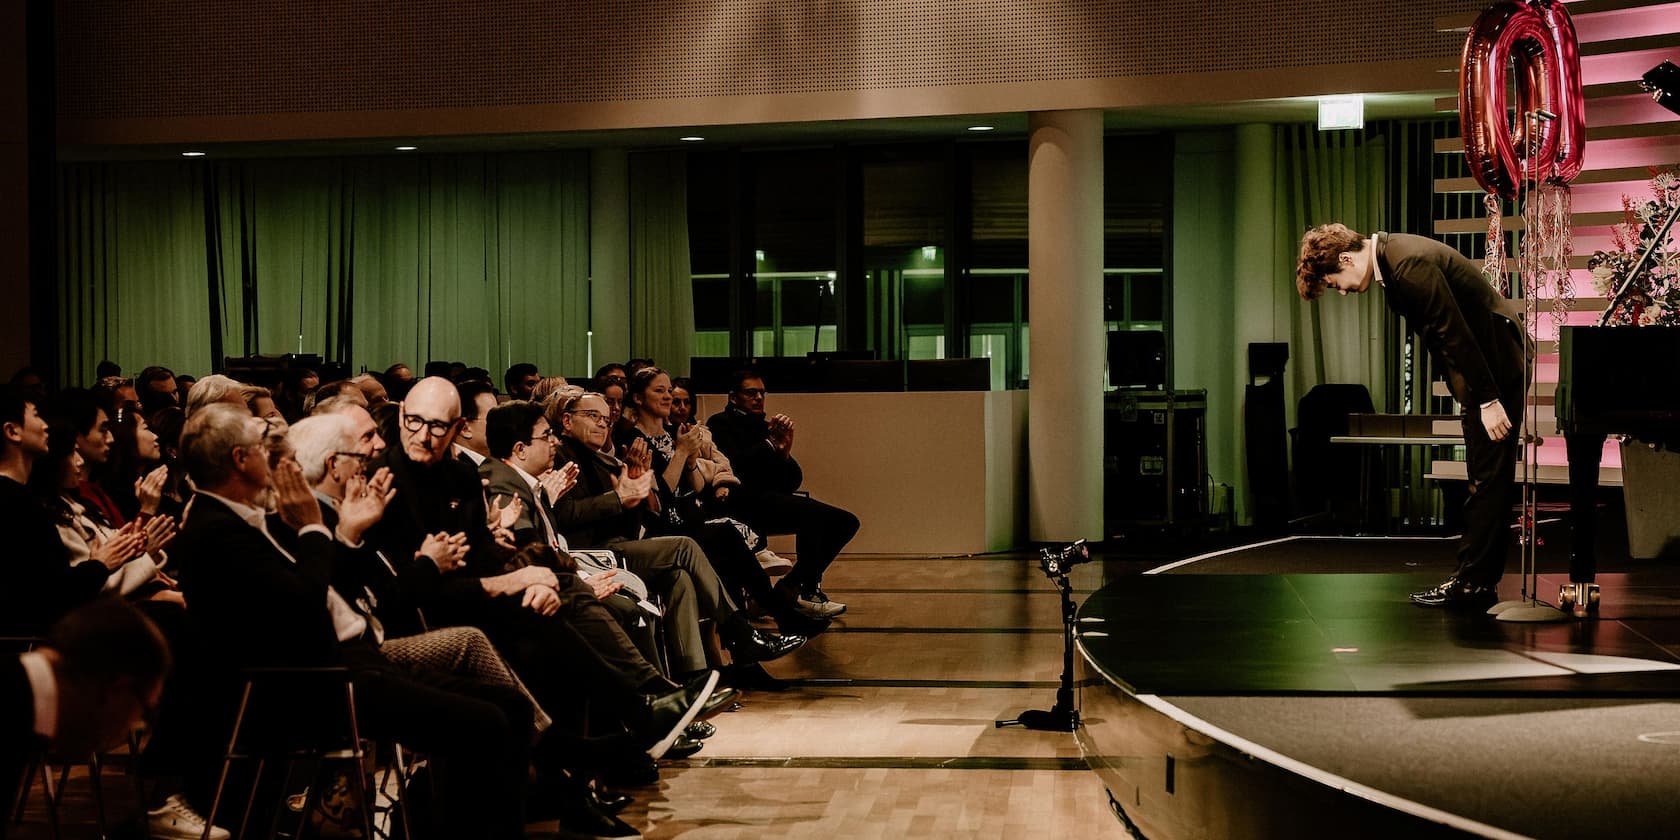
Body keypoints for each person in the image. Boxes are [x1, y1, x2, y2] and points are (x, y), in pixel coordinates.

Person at [1296, 224, 1529, 608]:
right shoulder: (1394, 261)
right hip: (1488, 370)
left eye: (1335, 282)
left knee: (1488, 480)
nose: (1341, 291)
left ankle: (1474, 585)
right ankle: (1476, 581)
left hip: (1495, 370)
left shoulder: (1407, 265)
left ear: (1346, 258)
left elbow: (1453, 332)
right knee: (1486, 479)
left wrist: (1487, 400)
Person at [707, 370, 858, 618]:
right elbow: (735, 467)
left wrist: (784, 452)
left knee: (846, 522)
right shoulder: (720, 423)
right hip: (740, 502)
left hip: (768, 501)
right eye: (751, 392)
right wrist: (770, 445)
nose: (758, 397)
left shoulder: (765, 427)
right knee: (812, 515)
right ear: (733, 397)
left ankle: (792, 587)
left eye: (762, 393)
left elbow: (792, 480)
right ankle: (803, 592)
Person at [3, 597, 171, 819]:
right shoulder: (12, 710)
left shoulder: (19, 707)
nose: (128, 730)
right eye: (144, 713)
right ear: (118, 691)